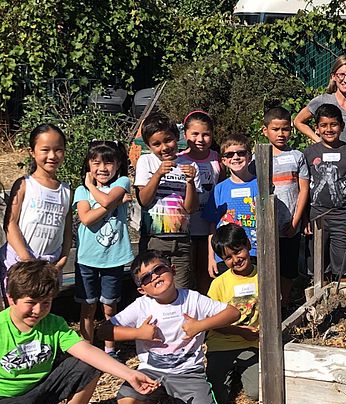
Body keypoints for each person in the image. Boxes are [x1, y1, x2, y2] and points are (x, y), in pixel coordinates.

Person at [0, 260, 158, 404]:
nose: (38, 311)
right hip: (6, 401)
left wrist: (130, 374)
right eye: (31, 303)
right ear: (11, 298)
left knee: (88, 363)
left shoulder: (54, 323)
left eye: (46, 302)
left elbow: (86, 351)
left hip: (41, 390)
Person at [99, 250, 240, 404]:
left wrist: (200, 326)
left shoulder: (192, 299)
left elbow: (233, 313)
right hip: (151, 371)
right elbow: (104, 331)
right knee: (126, 401)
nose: (154, 277)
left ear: (173, 270)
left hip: (188, 373)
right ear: (142, 290)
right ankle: (155, 402)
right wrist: (138, 333)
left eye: (159, 269)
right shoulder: (141, 306)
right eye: (146, 278)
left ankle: (185, 403)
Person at [73, 140, 134, 358]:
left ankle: (110, 349)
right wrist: (112, 202)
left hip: (114, 258)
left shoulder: (123, 182)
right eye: (96, 162)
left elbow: (108, 200)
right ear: (88, 165)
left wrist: (93, 188)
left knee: (110, 307)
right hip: (87, 258)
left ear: (118, 165)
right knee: (87, 308)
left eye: (109, 162)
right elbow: (86, 219)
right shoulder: (80, 191)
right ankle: (87, 351)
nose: (102, 168)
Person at [1, 124, 72, 291]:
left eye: (58, 149)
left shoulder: (67, 190)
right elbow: (10, 223)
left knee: (42, 309)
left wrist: (63, 259)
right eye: (45, 150)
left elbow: (67, 229)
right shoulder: (25, 185)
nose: (52, 156)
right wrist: (27, 260)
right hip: (20, 263)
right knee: (19, 311)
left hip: (50, 264)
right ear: (32, 152)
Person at [134, 112, 199, 289]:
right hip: (154, 239)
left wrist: (190, 182)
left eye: (168, 140)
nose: (164, 147)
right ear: (148, 145)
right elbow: (144, 200)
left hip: (182, 240)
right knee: (154, 287)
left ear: (176, 138)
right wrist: (158, 174)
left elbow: (191, 208)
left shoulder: (190, 165)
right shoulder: (146, 161)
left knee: (181, 289)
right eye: (156, 144)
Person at [304, 104, 346, 282]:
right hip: (317, 216)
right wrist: (304, 218)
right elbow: (303, 187)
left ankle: (343, 302)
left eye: (333, 125)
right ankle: (320, 303)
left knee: (344, 267)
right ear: (316, 128)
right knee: (317, 267)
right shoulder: (309, 153)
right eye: (323, 125)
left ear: (342, 126)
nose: (329, 129)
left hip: (344, 217)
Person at [205, 224, 260, 404]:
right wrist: (240, 332)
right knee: (218, 397)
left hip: (253, 344)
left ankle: (241, 370)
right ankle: (231, 370)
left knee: (256, 392)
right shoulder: (219, 284)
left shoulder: (265, 275)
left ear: (248, 245)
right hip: (222, 344)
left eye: (238, 252)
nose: (235, 259)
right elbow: (211, 322)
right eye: (228, 257)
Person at [264, 105, 309, 305]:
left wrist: (295, 221)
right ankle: (268, 305)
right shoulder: (258, 156)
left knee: (288, 269)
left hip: (290, 225)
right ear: (265, 130)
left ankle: (284, 305)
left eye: (285, 129)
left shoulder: (298, 156)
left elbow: (304, 190)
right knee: (267, 267)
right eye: (276, 129)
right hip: (266, 226)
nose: (281, 134)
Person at [293, 55, 346, 152]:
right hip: (326, 161)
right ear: (333, 77)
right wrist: (318, 141)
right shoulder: (322, 101)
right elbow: (298, 121)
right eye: (341, 75)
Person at [203, 134, 258, 277]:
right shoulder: (219, 189)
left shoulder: (261, 185)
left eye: (241, 153)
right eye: (229, 154)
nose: (236, 157)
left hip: (255, 251)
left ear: (249, 156)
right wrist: (211, 258)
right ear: (224, 160)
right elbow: (212, 226)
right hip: (224, 255)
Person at [179, 110, 221, 294]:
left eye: (205, 134)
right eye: (195, 134)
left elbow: (221, 187)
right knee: (186, 273)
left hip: (209, 227)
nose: (200, 139)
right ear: (185, 134)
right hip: (186, 227)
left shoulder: (217, 158)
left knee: (207, 272)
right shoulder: (179, 159)